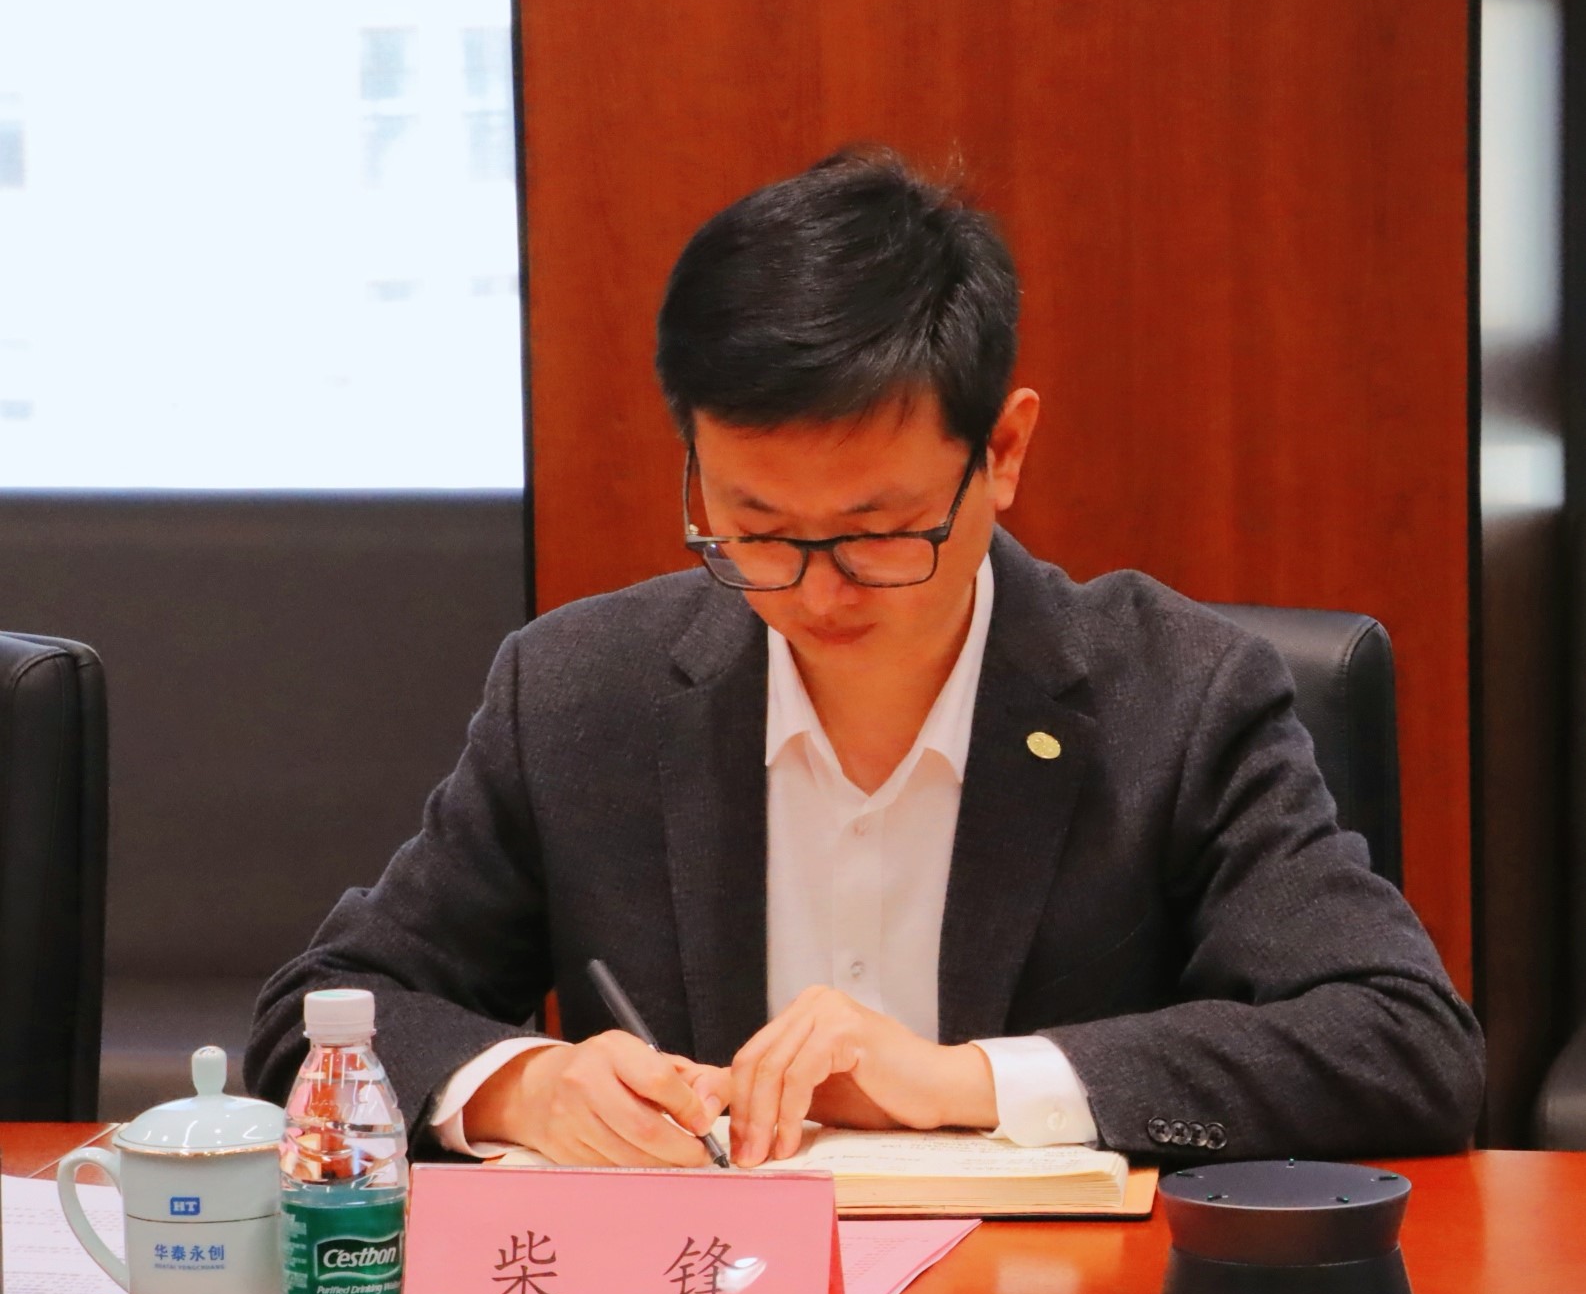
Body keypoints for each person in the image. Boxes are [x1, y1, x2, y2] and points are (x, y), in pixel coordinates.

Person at [245, 148, 1484, 1169]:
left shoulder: (1174, 696)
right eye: (754, 528)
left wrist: (961, 1082)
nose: (814, 589)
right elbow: (320, 1019)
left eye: (879, 532)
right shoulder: (580, 693)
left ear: (1001, 452)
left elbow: (1402, 1045)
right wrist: (527, 1086)